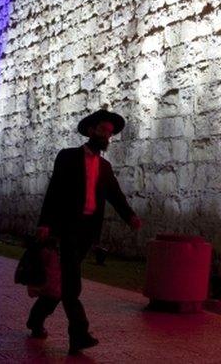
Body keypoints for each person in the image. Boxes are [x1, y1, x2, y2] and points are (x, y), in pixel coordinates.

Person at [27, 109, 143, 355]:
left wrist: (130, 216)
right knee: (71, 283)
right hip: (65, 229)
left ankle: (36, 319)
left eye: (110, 134)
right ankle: (78, 333)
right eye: (103, 131)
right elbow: (54, 190)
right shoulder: (67, 157)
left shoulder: (105, 167)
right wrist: (44, 223)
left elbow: (116, 196)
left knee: (59, 283)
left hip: (86, 234)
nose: (107, 137)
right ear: (90, 131)